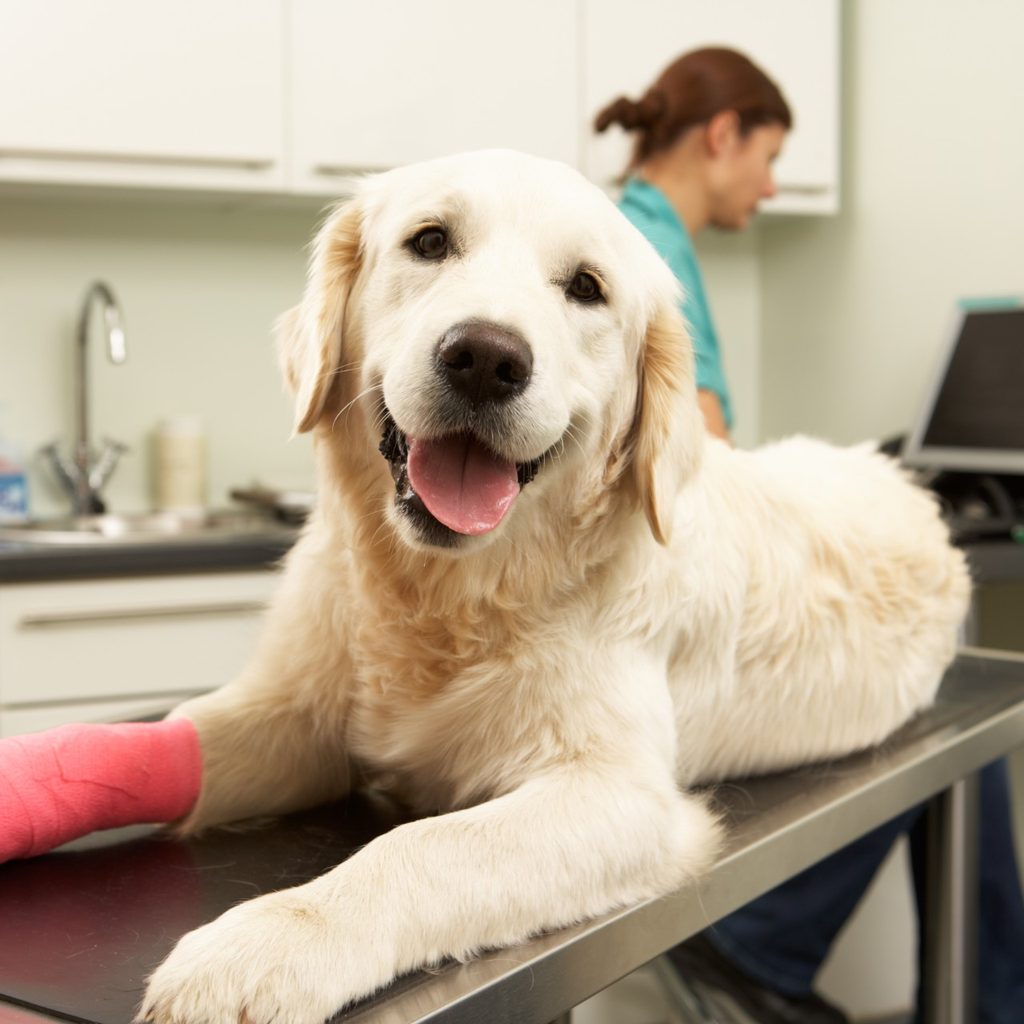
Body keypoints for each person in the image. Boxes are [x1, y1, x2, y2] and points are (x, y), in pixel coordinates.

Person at [594, 46, 1024, 1024]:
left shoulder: (631, 233)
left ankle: (965, 990)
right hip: (654, 628)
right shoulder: (643, 250)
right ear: (721, 136)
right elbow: (690, 464)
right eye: (767, 153)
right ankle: (775, 941)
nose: (772, 180)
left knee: (932, 675)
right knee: (935, 679)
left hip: (655, 603)